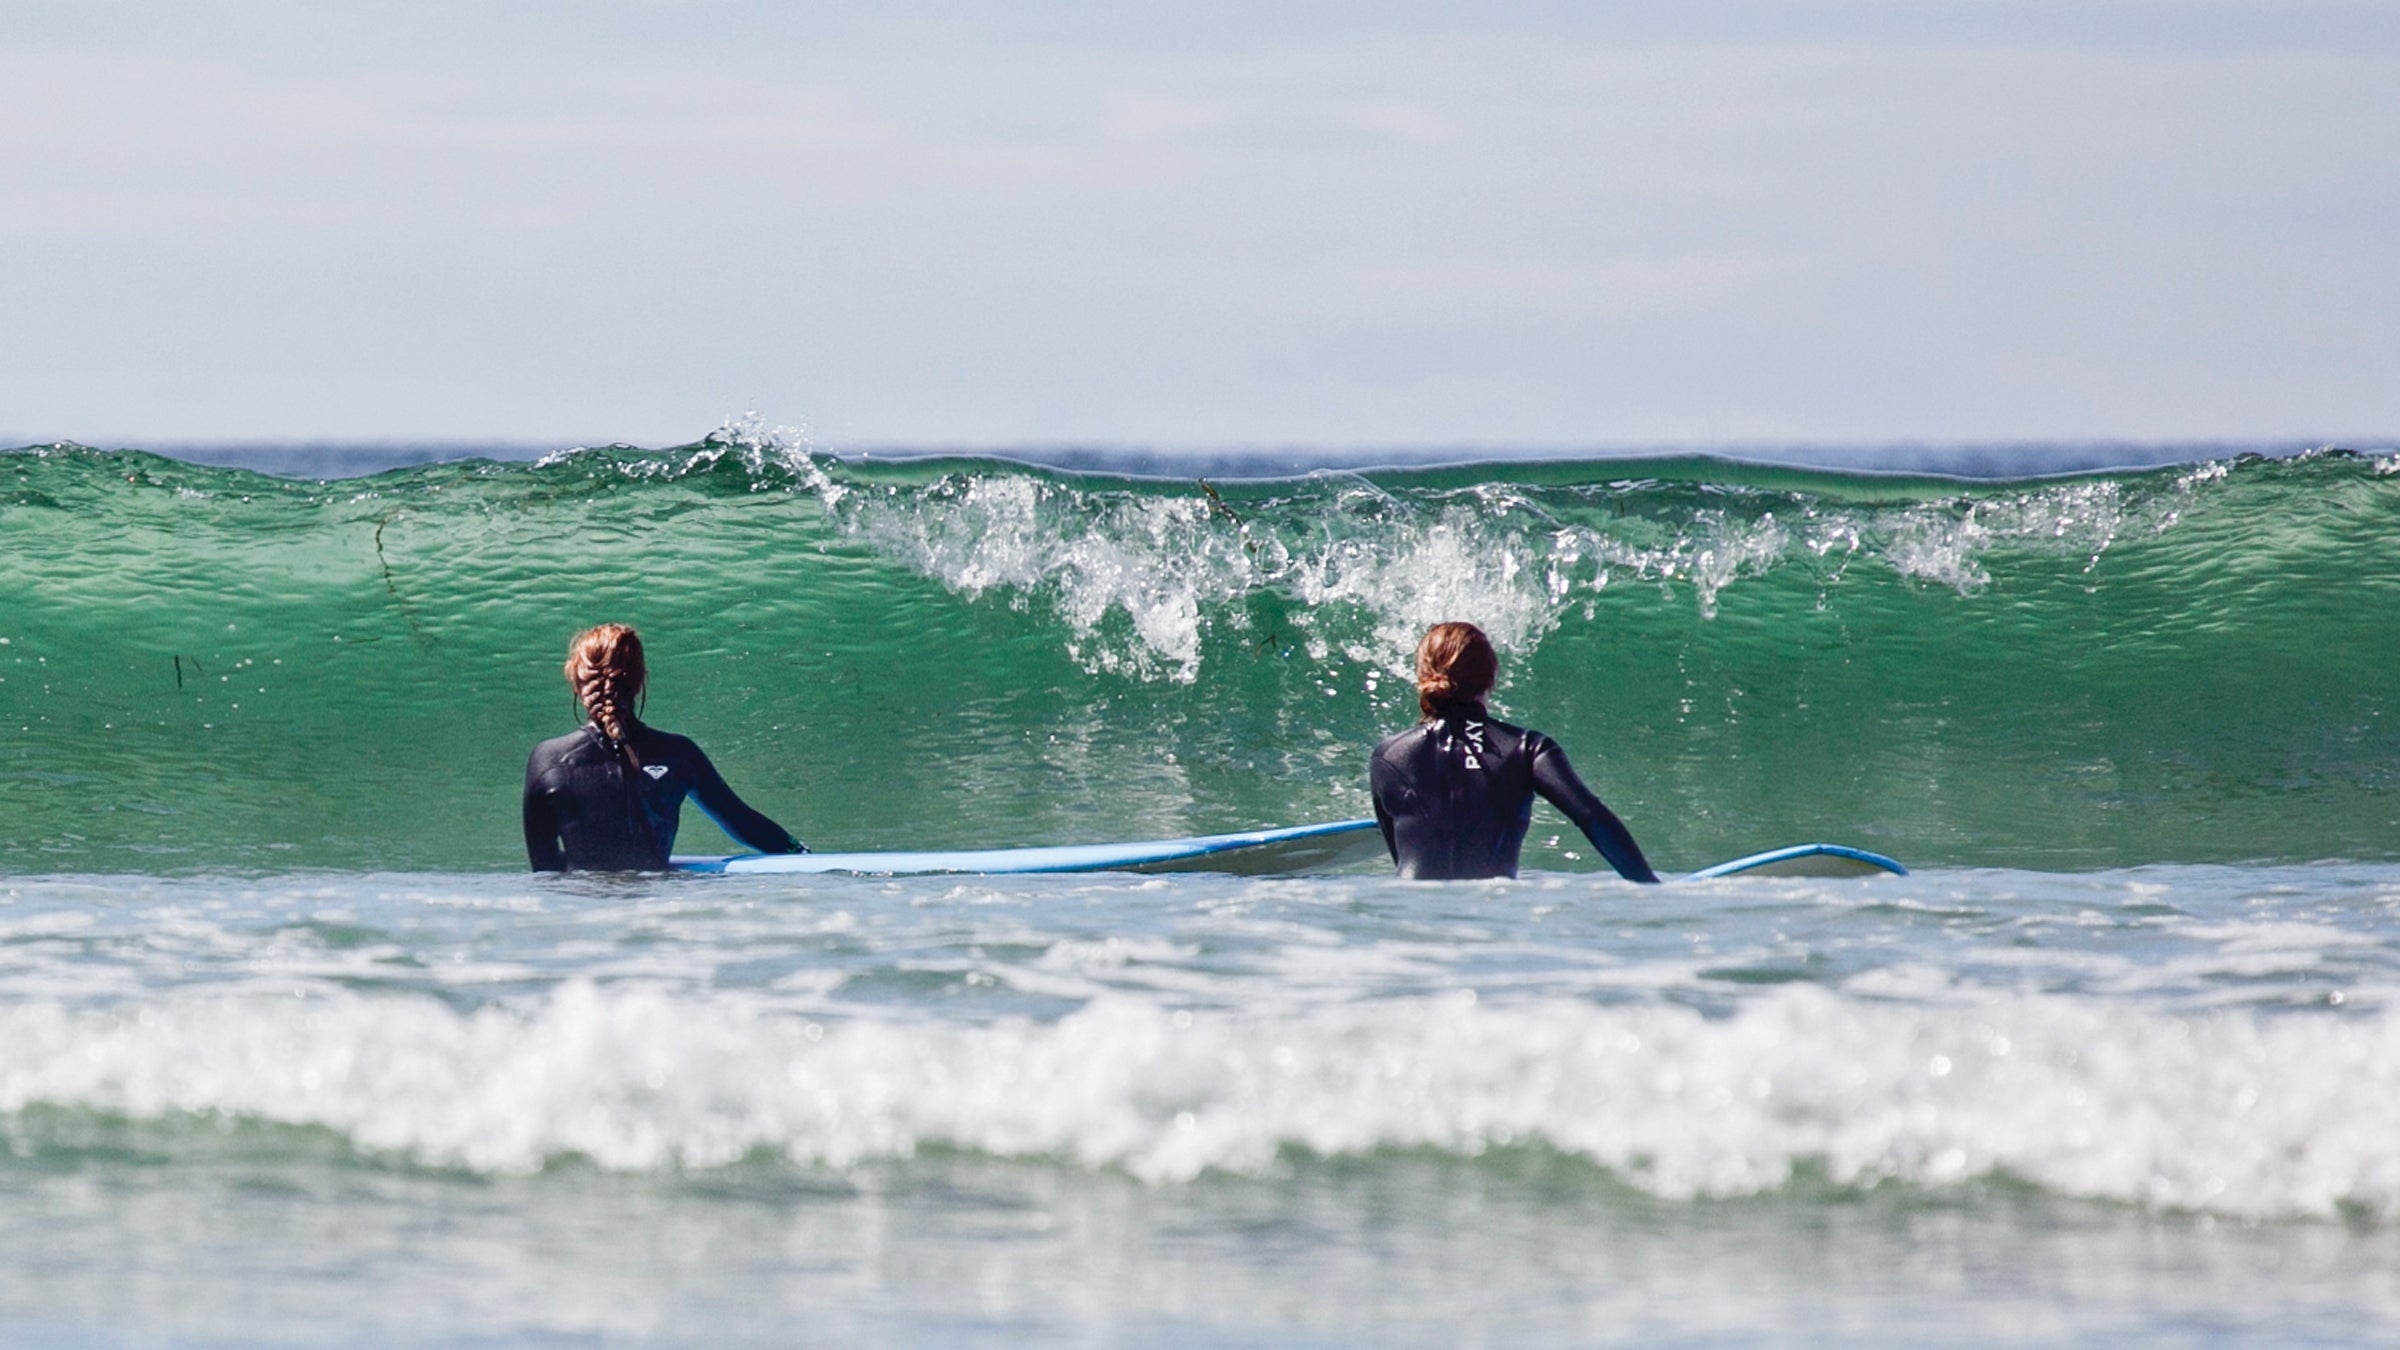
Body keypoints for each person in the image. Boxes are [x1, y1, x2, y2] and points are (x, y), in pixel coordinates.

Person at [1370, 622, 1658, 882]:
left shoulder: (1387, 754)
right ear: (1490, 676)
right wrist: (1649, 886)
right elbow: (1591, 816)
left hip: (1411, 919)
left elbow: (1399, 851)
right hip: (1490, 918)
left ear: (1423, 676)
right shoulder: (1526, 748)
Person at [523, 623, 805, 871]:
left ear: (576, 682)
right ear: (639, 681)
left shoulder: (548, 759)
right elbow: (745, 823)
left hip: (581, 921)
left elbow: (544, 869)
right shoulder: (678, 755)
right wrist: (800, 853)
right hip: (658, 916)